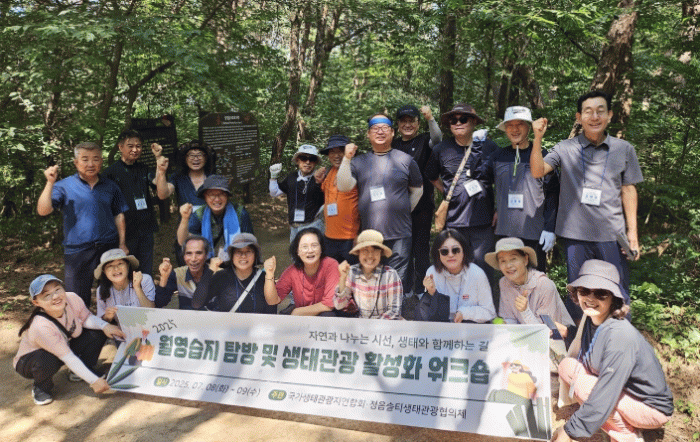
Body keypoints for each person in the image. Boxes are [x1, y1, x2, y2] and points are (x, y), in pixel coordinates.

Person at [529, 90, 643, 321]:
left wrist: (633, 234)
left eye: (600, 111)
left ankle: (617, 341)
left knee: (617, 295)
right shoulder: (565, 148)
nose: (595, 117)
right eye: (588, 112)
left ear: (610, 115)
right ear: (579, 117)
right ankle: (580, 341)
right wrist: (538, 137)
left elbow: (629, 189)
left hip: (612, 236)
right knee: (579, 297)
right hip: (575, 237)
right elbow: (538, 171)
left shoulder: (624, 149)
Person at [553, 260, 673, 442]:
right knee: (567, 366)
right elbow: (590, 347)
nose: (590, 298)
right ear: (576, 293)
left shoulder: (620, 336)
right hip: (621, 391)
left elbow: (604, 395)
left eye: (600, 293)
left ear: (613, 298)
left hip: (649, 407)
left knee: (585, 388)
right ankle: (610, 420)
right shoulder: (591, 320)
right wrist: (565, 332)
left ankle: (626, 435)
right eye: (584, 290)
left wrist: (569, 431)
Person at [337, 114, 423, 297]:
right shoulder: (358, 162)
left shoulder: (406, 160)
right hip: (370, 236)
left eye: (385, 128)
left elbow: (417, 189)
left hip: (400, 233)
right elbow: (343, 186)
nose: (380, 131)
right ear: (368, 134)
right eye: (375, 128)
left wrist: (403, 209)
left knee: (396, 282)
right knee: (372, 280)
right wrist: (346, 159)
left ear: (392, 132)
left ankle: (395, 311)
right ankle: (372, 311)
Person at [37, 142, 129, 308]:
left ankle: (111, 321)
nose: (91, 164)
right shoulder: (63, 186)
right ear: (76, 162)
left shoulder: (110, 186)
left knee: (112, 292)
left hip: (108, 247)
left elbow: (119, 215)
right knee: (77, 297)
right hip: (78, 251)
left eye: (95, 159)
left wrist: (122, 243)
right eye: (85, 159)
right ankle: (80, 323)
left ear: (101, 161)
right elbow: (43, 211)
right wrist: (50, 183)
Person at [14, 275, 125, 405]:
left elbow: (86, 318)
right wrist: (94, 381)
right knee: (47, 359)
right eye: (47, 295)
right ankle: (41, 386)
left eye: (57, 289)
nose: (55, 296)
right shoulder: (40, 326)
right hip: (30, 361)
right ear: (36, 303)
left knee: (99, 330)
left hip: (63, 346)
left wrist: (105, 326)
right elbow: (68, 357)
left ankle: (80, 370)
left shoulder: (71, 298)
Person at [425, 103, 499, 287]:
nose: (458, 123)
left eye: (463, 119)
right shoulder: (441, 149)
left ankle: (485, 305)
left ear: (473, 122)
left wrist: (499, 208)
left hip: (484, 222)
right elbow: (432, 176)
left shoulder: (489, 147)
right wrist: (448, 192)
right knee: (455, 269)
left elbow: (501, 180)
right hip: (453, 221)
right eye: (453, 120)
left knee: (483, 269)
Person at [481, 106, 559, 272]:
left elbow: (553, 194)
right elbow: (483, 184)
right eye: (510, 125)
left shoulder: (543, 156)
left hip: (535, 233)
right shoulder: (497, 156)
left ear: (529, 127)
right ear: (505, 129)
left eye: (520, 124)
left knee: (536, 279)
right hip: (505, 233)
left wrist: (550, 228)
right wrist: (493, 209)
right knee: (509, 278)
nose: (515, 129)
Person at [392, 104, 442, 295]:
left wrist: (430, 118)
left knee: (420, 249)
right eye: (403, 121)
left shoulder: (424, 140)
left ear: (418, 123)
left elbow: (437, 139)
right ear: (398, 125)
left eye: (411, 121)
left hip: (422, 206)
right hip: (398, 207)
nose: (407, 125)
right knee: (402, 250)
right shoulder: (394, 144)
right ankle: (404, 287)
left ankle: (422, 288)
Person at [103, 130, 163, 275]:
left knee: (145, 270)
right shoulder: (110, 173)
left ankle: (146, 290)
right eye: (130, 146)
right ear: (120, 147)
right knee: (126, 271)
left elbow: (158, 185)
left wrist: (159, 157)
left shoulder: (144, 169)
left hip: (146, 228)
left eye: (138, 146)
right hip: (125, 231)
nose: (135, 150)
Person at [484, 237, 573, 327]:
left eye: (513, 259)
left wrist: (525, 312)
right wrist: (504, 324)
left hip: (557, 333)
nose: (508, 265)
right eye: (503, 261)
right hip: (525, 333)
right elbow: (510, 318)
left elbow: (549, 329)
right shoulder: (504, 283)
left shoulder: (544, 284)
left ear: (525, 259)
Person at [155, 140, 216, 266]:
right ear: (185, 158)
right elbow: (163, 194)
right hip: (185, 232)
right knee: (187, 269)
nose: (195, 159)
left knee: (211, 269)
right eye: (191, 155)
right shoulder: (179, 177)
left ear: (206, 158)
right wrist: (161, 172)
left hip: (211, 232)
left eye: (199, 155)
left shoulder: (213, 178)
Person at [422, 229, 496, 323]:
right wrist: (431, 293)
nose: (450, 255)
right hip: (442, 327)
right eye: (444, 251)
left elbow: (489, 312)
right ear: (438, 254)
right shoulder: (432, 272)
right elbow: (426, 315)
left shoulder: (477, 273)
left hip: (470, 327)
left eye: (455, 250)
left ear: (464, 251)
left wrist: (464, 313)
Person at [192, 233, 278, 313]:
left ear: (255, 255)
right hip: (227, 324)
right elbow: (196, 304)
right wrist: (210, 271)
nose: (243, 256)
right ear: (232, 255)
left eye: (248, 251)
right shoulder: (221, 277)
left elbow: (272, 310)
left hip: (256, 324)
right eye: (238, 252)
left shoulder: (265, 278)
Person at [177, 175, 253, 262]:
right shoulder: (199, 214)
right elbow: (182, 241)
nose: (217, 199)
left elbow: (250, 244)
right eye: (211, 195)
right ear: (205, 197)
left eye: (221, 194)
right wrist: (184, 218)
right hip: (206, 262)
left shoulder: (240, 213)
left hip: (236, 260)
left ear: (227, 196)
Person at [267, 227, 339, 316]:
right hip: (303, 316)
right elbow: (273, 301)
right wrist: (269, 275)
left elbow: (329, 305)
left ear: (321, 248)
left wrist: (297, 312)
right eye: (305, 247)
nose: (310, 250)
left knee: (328, 315)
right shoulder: (292, 271)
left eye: (314, 245)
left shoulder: (331, 265)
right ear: (297, 251)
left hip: (327, 316)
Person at [334, 229, 403, 320]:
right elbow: (339, 305)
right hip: (362, 323)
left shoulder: (390, 275)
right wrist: (342, 278)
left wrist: (374, 326)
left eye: (375, 251)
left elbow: (394, 311)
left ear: (381, 253)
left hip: (386, 323)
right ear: (358, 253)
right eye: (365, 250)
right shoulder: (351, 272)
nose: (370, 256)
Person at [314, 135, 361, 264]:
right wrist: (317, 182)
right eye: (332, 152)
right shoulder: (328, 172)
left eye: (340, 151)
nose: (336, 155)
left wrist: (360, 233)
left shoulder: (355, 170)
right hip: (329, 237)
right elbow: (322, 198)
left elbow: (365, 203)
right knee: (332, 274)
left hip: (350, 238)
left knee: (352, 274)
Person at [269, 145, 325, 241]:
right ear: (297, 160)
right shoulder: (292, 177)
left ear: (315, 162)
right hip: (294, 227)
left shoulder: (320, 178)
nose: (308, 162)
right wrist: (273, 177)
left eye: (312, 159)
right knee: (295, 251)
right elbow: (274, 193)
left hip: (314, 225)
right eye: (304, 158)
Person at [155, 235, 218, 309]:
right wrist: (164, 278)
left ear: (206, 255)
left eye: (198, 253)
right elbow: (159, 303)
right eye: (189, 253)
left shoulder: (218, 273)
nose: (193, 259)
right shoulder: (178, 274)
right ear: (184, 256)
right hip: (185, 316)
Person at [94, 249, 156, 324]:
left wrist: (137, 287)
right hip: (120, 330)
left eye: (120, 263)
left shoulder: (144, 280)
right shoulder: (101, 290)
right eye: (110, 266)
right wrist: (107, 317)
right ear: (104, 271)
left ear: (128, 265)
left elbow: (151, 311)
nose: (116, 269)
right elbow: (101, 321)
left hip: (147, 327)